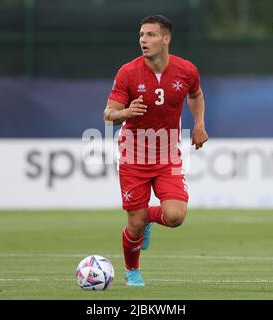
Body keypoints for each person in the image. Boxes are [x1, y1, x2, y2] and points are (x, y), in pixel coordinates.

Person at [103, 14, 209, 286]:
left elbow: (195, 95)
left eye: (150, 35)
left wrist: (199, 124)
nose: (143, 40)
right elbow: (108, 114)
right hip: (134, 155)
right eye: (141, 35)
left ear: (166, 39)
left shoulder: (187, 70)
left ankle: (149, 217)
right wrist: (126, 111)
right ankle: (132, 271)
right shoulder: (128, 72)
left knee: (175, 217)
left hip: (168, 155)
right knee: (134, 225)